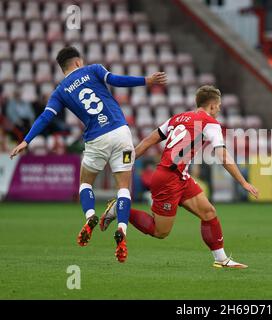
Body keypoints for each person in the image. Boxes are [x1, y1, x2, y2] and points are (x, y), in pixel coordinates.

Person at [9, 46, 167, 263]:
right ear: (77, 62)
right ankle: (122, 229)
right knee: (123, 187)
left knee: (85, 183)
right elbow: (117, 80)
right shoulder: (93, 70)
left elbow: (45, 118)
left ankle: (91, 216)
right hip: (121, 133)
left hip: (96, 139)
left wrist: (26, 140)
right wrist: (146, 80)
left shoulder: (60, 91)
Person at [100, 85, 259, 268]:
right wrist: (243, 182)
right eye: (219, 106)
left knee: (208, 212)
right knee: (160, 231)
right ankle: (118, 209)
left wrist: (128, 160)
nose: (220, 109)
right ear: (213, 106)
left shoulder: (177, 118)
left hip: (179, 176)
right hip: (168, 179)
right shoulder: (210, 123)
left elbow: (149, 140)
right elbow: (222, 156)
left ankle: (221, 259)